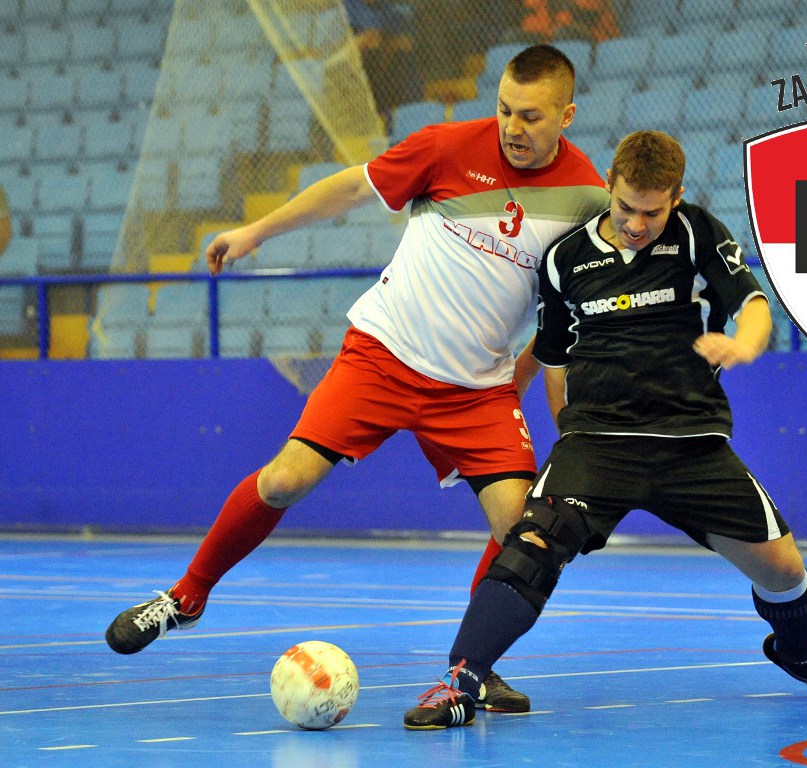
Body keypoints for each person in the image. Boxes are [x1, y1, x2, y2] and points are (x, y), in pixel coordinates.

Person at [104, 44, 610, 715]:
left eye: (532, 116)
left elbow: (560, 318)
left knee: (521, 529)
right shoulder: (445, 147)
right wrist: (258, 232)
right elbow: (349, 187)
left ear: (567, 115)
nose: (513, 128)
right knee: (285, 480)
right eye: (505, 110)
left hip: (475, 389)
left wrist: (528, 387)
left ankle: (473, 669)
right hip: (383, 354)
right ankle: (187, 596)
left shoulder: (587, 199)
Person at [403, 130, 807, 730]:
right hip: (597, 443)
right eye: (626, 208)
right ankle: (461, 680)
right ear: (609, 187)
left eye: (652, 212)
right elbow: (555, 359)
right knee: (533, 545)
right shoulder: (565, 260)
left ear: (676, 198)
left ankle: (797, 653)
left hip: (690, 442)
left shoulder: (696, 233)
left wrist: (744, 344)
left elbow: (752, 303)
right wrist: (568, 439)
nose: (638, 224)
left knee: (785, 571)